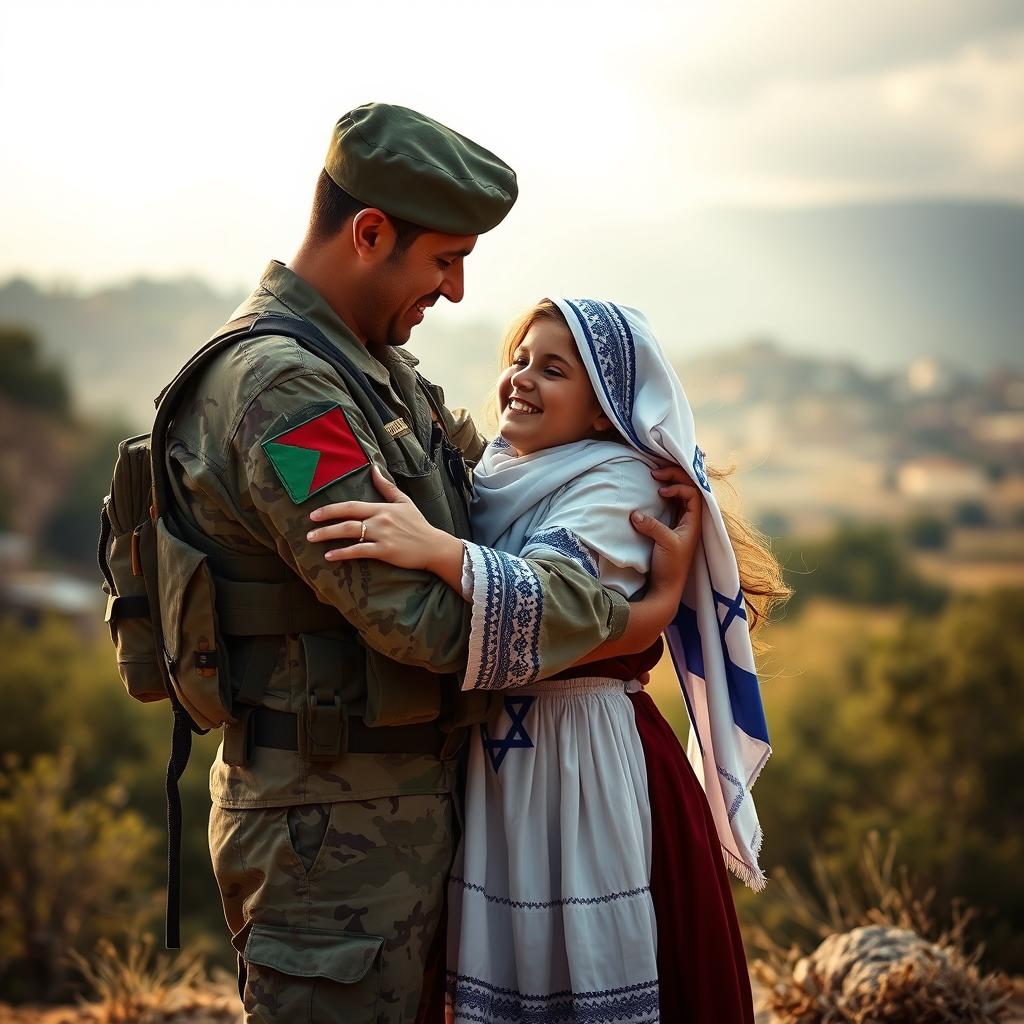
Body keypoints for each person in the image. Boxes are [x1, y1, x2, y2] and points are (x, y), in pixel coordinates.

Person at [162, 104, 696, 1024]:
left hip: (403, 817)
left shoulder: (377, 373)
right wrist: (640, 618)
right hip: (332, 844)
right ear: (371, 233)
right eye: (444, 259)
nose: (453, 291)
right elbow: (421, 621)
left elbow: (500, 507)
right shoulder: (288, 398)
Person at [308, 297, 791, 1022]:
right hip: (445, 772)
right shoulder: (291, 392)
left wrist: (437, 550)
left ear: (605, 408)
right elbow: (318, 492)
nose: (521, 378)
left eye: (552, 368)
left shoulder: (618, 480)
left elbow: (555, 602)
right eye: (519, 360)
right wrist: (645, 618)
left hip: (582, 764)